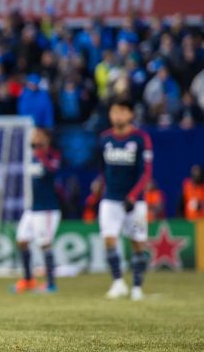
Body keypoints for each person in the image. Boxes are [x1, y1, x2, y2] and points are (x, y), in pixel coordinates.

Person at [98, 99, 152, 301]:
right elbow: (102, 168)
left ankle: (137, 287)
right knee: (109, 239)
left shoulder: (141, 138)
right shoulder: (104, 138)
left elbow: (146, 171)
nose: (117, 116)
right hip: (110, 199)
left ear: (130, 114)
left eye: (122, 111)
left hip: (135, 201)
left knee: (138, 243)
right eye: (114, 112)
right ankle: (118, 282)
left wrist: (133, 195)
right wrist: (103, 187)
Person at [13, 128, 61, 294]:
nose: (34, 138)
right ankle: (28, 280)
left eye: (37, 135)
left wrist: (40, 153)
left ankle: (51, 284)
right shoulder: (31, 157)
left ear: (46, 138)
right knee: (22, 240)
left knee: (44, 244)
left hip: (47, 208)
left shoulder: (53, 155)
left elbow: (51, 172)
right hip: (32, 209)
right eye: (33, 135)